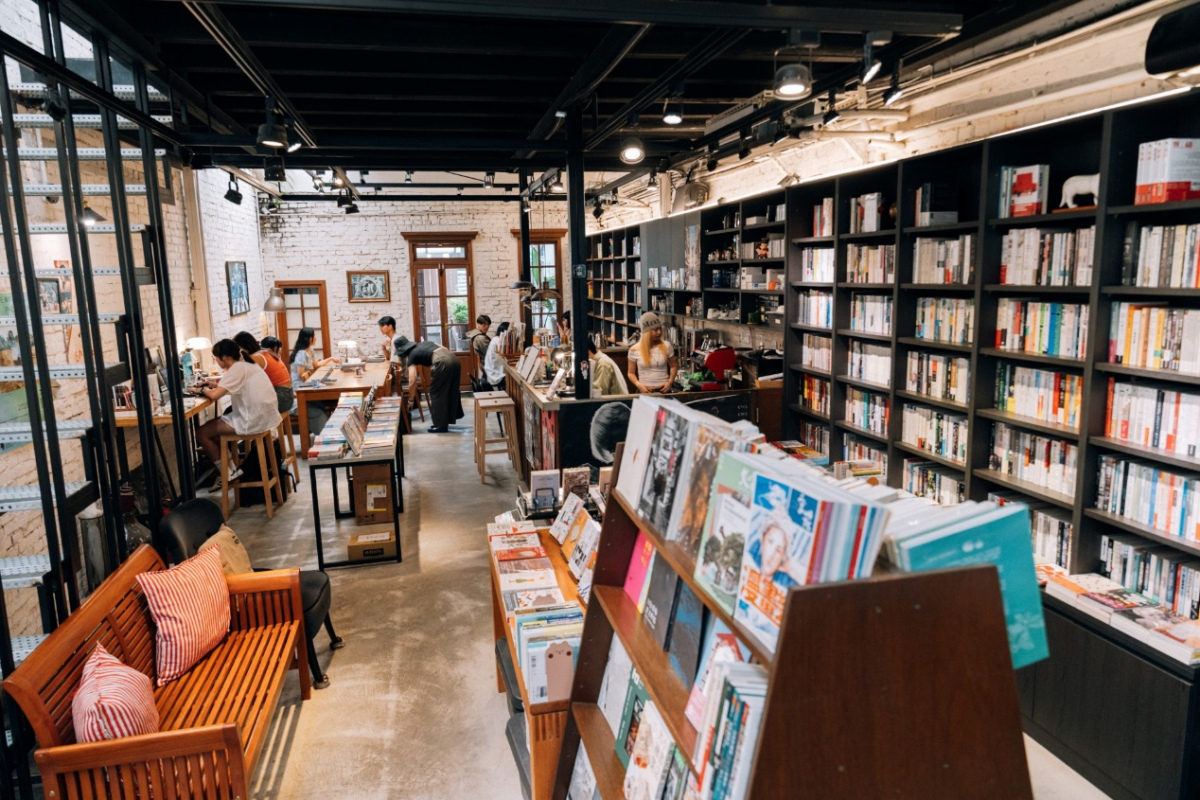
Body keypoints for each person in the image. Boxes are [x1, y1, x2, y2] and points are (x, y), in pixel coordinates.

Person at [196, 339, 282, 481]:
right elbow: (234, 386)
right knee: (214, 432)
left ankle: (227, 474)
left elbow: (215, 396)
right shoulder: (247, 364)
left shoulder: (236, 369)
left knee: (202, 433)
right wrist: (213, 385)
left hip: (253, 420)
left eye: (216, 358)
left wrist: (201, 390)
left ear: (224, 357)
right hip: (265, 417)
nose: (216, 361)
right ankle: (232, 470)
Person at [393, 335, 463, 433]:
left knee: (436, 393)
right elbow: (442, 348)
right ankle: (447, 419)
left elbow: (412, 380)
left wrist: (411, 400)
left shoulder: (412, 355)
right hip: (453, 358)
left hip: (441, 362)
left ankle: (440, 425)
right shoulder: (424, 343)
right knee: (451, 390)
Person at [289, 327, 341, 437]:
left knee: (324, 394)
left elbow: (316, 364)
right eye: (314, 336)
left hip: (306, 382)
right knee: (325, 392)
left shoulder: (310, 350)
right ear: (308, 338)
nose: (316, 338)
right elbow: (301, 374)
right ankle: (324, 432)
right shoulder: (302, 353)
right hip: (299, 385)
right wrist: (315, 379)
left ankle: (326, 428)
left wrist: (331, 359)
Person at [233, 331, 292, 414]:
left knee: (237, 410)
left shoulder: (255, 357)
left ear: (242, 348)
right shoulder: (265, 353)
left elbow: (239, 377)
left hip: (279, 400)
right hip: (287, 398)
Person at [627, 311, 678, 394]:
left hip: (663, 391)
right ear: (647, 332)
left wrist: (669, 382)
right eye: (655, 330)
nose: (659, 332)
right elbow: (630, 373)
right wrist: (639, 385)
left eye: (660, 329)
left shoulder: (666, 346)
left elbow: (674, 366)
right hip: (644, 391)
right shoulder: (634, 350)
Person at [483, 321, 510, 391]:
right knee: (515, 379)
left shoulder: (495, 339)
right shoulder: (498, 342)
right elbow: (503, 360)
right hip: (495, 375)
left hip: (490, 372)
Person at [464, 314, 492, 381]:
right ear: (478, 324)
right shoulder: (481, 338)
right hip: (488, 366)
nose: (487, 327)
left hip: (485, 365)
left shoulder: (477, 335)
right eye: (484, 325)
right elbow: (490, 354)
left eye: (488, 325)